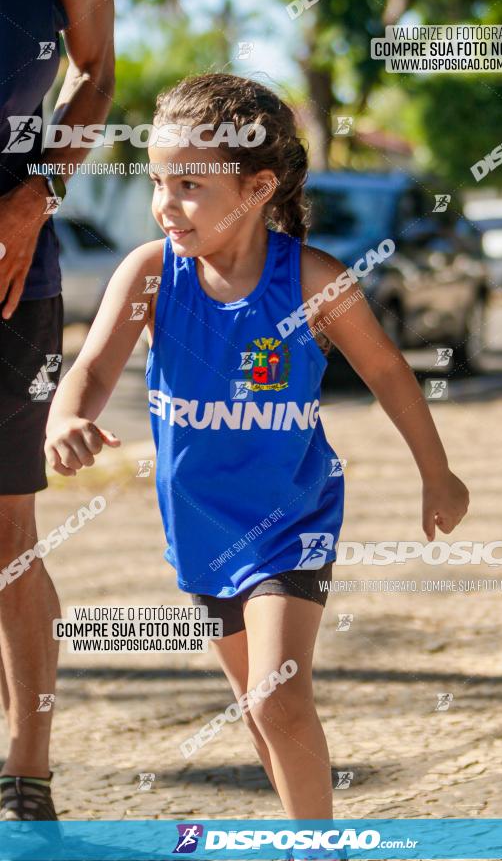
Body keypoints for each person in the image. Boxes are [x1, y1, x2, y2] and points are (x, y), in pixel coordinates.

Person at [44, 73, 468, 853]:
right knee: (256, 709)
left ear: (257, 187)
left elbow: (386, 373)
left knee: (277, 696)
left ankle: (316, 845)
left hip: (290, 520)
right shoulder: (148, 273)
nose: (166, 204)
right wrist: (69, 415)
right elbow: (93, 369)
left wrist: (435, 473)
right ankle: (304, 829)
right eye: (157, 184)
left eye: (190, 186)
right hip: (201, 529)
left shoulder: (309, 280)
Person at [0, 0, 114, 822]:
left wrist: (36, 196)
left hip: (9, 273)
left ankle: (24, 776)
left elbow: (96, 72)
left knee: (6, 529)